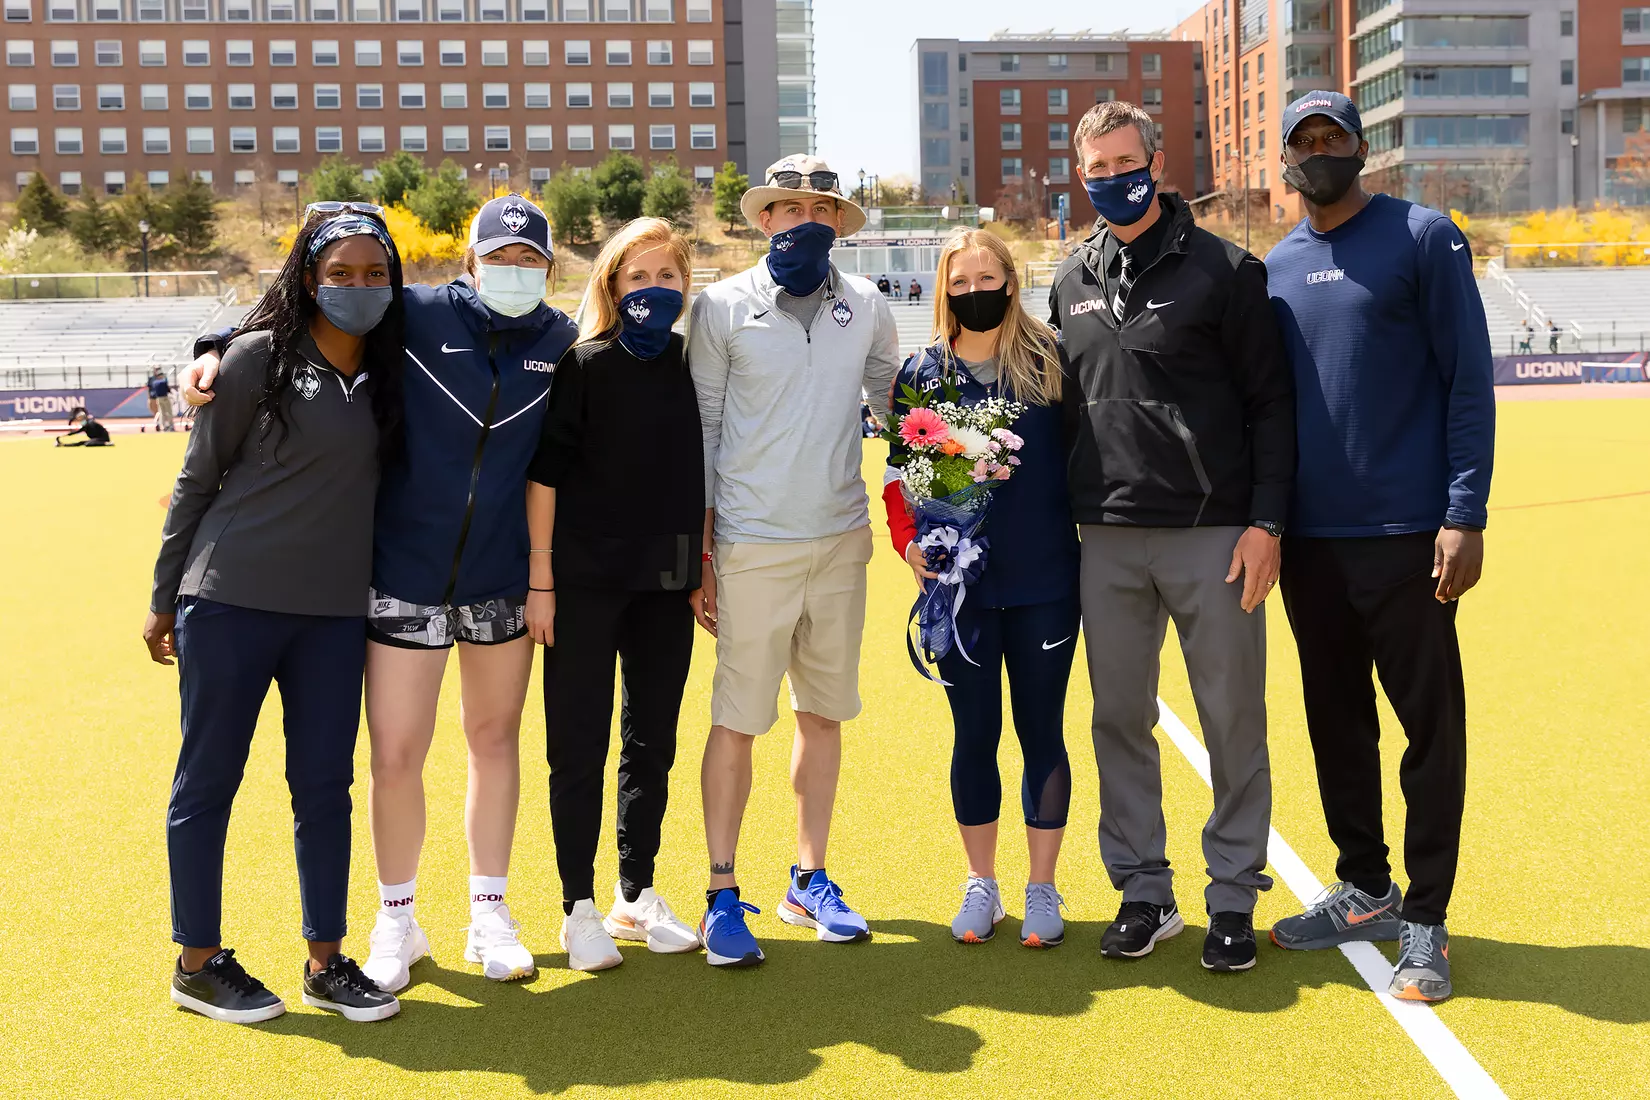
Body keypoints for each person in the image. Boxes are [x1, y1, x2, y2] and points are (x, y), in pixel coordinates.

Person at [178, 195, 579, 993]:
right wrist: (214, 347)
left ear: (548, 269)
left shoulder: (562, 340)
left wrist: (542, 577)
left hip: (500, 580)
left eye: (529, 260)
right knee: (396, 754)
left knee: (495, 742)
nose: (513, 272)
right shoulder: (415, 315)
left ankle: (489, 912)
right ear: (470, 262)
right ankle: (396, 916)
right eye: (497, 258)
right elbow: (311, 313)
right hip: (403, 573)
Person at [142, 211, 406, 1025]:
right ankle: (198, 961)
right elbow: (196, 480)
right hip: (228, 600)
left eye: (375, 275)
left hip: (331, 615)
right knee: (208, 781)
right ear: (307, 278)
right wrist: (162, 596)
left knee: (325, 789)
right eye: (341, 274)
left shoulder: (396, 370)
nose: (359, 288)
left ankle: (326, 962)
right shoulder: (256, 359)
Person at [1049, 101, 1294, 973]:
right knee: (1118, 716)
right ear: (1080, 174)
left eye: (1126, 160)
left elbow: (1271, 403)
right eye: (1096, 166)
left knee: (1232, 717)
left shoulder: (1226, 270)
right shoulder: (1070, 277)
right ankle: (1143, 891)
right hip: (1106, 537)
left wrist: (1266, 522)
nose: (1112, 177)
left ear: (1156, 160)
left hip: (1213, 533)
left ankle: (1231, 897)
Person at [1264, 91, 1494, 1003]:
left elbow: (1468, 381)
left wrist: (1464, 514)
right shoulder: (1276, 264)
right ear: (1287, 162)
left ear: (1363, 149)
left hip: (1409, 540)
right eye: (1304, 142)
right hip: (1312, 546)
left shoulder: (1425, 237)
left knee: (1429, 731)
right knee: (1337, 725)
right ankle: (1364, 888)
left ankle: (1427, 919)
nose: (1319, 153)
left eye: (1334, 139)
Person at [687, 154, 901, 967]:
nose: (801, 219)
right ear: (763, 219)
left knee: (823, 715)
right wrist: (703, 550)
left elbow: (898, 411)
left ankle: (809, 878)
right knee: (737, 721)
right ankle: (721, 891)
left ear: (838, 224)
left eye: (818, 208)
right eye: (786, 207)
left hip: (841, 542)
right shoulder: (719, 306)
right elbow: (704, 429)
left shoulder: (871, 305)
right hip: (750, 545)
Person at [883, 228, 1078, 948]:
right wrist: (909, 545)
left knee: (1041, 732)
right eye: (959, 281)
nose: (974, 292)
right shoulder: (921, 373)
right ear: (944, 288)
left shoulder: (1050, 359)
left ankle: (1042, 889)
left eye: (987, 277)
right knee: (975, 734)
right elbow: (900, 477)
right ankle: (982, 885)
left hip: (1046, 581)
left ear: (1011, 279)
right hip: (958, 593)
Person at [525, 218, 704, 972]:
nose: (654, 292)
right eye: (639, 279)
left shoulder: (695, 364)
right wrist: (541, 581)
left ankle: (636, 892)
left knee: (650, 744)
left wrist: (704, 569)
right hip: (584, 581)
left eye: (668, 279)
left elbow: (701, 470)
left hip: (666, 583)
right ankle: (578, 906)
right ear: (611, 286)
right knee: (579, 744)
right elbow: (546, 477)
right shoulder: (584, 365)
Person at [148, 367, 177, 432]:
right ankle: (170, 425)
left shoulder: (154, 382)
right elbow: (167, 389)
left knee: (162, 413)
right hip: (165, 398)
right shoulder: (163, 381)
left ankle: (163, 426)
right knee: (169, 412)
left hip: (158, 399)